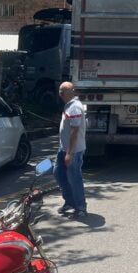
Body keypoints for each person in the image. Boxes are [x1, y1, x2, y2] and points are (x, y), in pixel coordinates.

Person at [55, 81, 88, 219]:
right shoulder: (70, 105)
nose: (60, 94)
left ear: (63, 94)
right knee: (59, 173)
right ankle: (70, 201)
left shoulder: (74, 108)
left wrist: (69, 153)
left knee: (74, 178)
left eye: (61, 92)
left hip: (73, 150)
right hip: (64, 148)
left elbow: (74, 132)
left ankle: (80, 207)